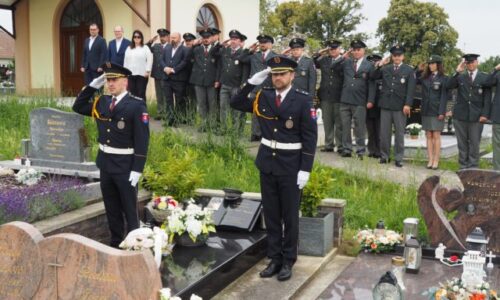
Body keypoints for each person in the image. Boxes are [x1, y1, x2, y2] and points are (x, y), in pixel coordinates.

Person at [230, 55, 317, 281]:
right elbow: (236, 103)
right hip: (268, 162)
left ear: (292, 75)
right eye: (275, 74)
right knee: (271, 214)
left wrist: (305, 169)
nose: (278, 78)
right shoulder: (264, 95)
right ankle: (274, 258)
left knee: (290, 216)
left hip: (291, 165)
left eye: (282, 74)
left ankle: (288, 260)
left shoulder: (303, 100)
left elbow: (310, 137)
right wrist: (251, 82)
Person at [72, 62, 150, 248]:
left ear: (125, 81)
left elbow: (142, 139)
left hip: (125, 165)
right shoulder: (103, 102)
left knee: (130, 209)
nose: (110, 84)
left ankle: (134, 245)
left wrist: (137, 169)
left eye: (114, 80)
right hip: (106, 163)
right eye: (107, 80)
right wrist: (93, 85)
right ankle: (115, 243)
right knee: (111, 207)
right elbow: (78, 106)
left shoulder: (136, 105)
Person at [370, 45, 416, 167]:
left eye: (399, 55)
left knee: (399, 133)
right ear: (392, 56)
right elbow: (373, 77)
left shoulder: (409, 70)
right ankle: (384, 156)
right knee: (384, 133)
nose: (396, 57)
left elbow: (411, 90)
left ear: (403, 57)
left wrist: (408, 104)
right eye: (394, 55)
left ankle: (398, 158)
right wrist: (380, 65)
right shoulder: (386, 69)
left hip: (400, 106)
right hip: (385, 105)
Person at [446, 54, 491, 169]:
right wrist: (457, 71)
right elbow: (448, 85)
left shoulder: (484, 77)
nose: (470, 64)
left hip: (476, 116)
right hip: (460, 116)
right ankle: (463, 167)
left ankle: (473, 167)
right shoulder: (460, 77)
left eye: (473, 62)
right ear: (465, 64)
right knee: (462, 143)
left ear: (477, 62)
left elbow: (487, 98)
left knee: (474, 143)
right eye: (468, 63)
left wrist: (485, 114)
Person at [336, 40, 375, 159]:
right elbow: (334, 67)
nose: (356, 52)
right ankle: (347, 149)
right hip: (345, 99)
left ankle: (360, 151)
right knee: (345, 126)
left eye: (359, 50)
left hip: (360, 100)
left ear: (364, 50)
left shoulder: (369, 65)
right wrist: (343, 57)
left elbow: (371, 84)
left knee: (359, 127)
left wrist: (370, 100)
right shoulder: (346, 62)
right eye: (354, 50)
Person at [238, 34, 278, 141]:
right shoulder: (255, 55)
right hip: (255, 89)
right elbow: (241, 58)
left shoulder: (275, 57)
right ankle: (255, 134)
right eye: (260, 42)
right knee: (255, 112)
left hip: (269, 88)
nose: (262, 44)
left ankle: (266, 134)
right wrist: (249, 49)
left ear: (270, 44)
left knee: (267, 112)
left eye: (264, 42)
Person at [417, 55, 448, 169]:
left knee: (436, 135)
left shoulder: (443, 78)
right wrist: (419, 70)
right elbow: (414, 80)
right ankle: (430, 160)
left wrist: (442, 112)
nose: (430, 65)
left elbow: (444, 96)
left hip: (437, 111)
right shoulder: (425, 77)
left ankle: (436, 160)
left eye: (433, 63)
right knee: (428, 135)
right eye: (429, 63)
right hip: (426, 110)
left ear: (438, 65)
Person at [215, 29, 249, 133]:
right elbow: (214, 54)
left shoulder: (243, 52)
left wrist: (243, 85)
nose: (233, 41)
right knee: (223, 108)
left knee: (236, 110)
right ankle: (223, 129)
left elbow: (245, 71)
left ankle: (235, 131)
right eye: (232, 39)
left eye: (235, 39)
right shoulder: (226, 50)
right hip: (225, 84)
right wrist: (220, 45)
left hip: (236, 85)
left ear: (240, 41)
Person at [313, 40, 344, 152]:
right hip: (325, 96)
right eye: (331, 49)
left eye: (335, 48)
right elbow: (314, 60)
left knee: (339, 123)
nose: (333, 51)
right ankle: (329, 145)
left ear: (339, 49)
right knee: (327, 122)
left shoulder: (344, 60)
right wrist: (322, 51)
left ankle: (340, 146)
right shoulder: (324, 60)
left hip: (339, 96)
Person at [189, 28, 219, 131]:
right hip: (199, 81)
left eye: (208, 37)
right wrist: (193, 45)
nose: (206, 39)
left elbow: (219, 66)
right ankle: (203, 125)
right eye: (204, 37)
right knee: (201, 104)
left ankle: (212, 125)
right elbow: (188, 58)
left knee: (212, 104)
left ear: (211, 38)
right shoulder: (197, 49)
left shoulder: (216, 49)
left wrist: (217, 80)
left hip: (211, 81)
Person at [160, 32, 190, 126]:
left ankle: (177, 120)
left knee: (179, 101)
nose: (172, 39)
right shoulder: (167, 48)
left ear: (180, 39)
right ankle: (170, 120)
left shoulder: (185, 49)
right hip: (167, 79)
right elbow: (161, 60)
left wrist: (173, 70)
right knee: (168, 100)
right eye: (171, 37)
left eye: (175, 38)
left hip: (178, 79)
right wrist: (165, 68)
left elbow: (184, 62)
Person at [147, 28, 170, 120]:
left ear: (167, 37)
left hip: (166, 74)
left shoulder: (170, 47)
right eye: (161, 36)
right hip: (157, 74)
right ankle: (160, 112)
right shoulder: (156, 46)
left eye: (164, 36)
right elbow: (146, 48)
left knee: (166, 94)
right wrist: (151, 41)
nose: (162, 38)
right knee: (159, 94)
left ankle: (167, 113)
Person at [124, 30, 153, 101]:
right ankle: (134, 111)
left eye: (138, 37)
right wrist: (125, 73)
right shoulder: (129, 48)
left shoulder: (145, 47)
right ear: (133, 38)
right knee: (132, 94)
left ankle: (142, 111)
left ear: (141, 38)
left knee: (141, 94)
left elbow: (150, 59)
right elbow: (125, 61)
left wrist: (148, 70)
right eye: (135, 37)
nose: (136, 38)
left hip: (142, 74)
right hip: (131, 75)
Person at [365, 54, 383, 158]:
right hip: (368, 106)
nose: (373, 64)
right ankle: (371, 150)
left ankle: (379, 151)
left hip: (379, 107)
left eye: (375, 62)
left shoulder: (383, 74)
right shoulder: (368, 76)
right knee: (370, 130)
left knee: (379, 130)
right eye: (371, 62)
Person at [485, 63, 500, 170]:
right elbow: (487, 82)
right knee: (497, 146)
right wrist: (495, 69)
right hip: (498, 116)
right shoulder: (498, 75)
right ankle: (497, 172)